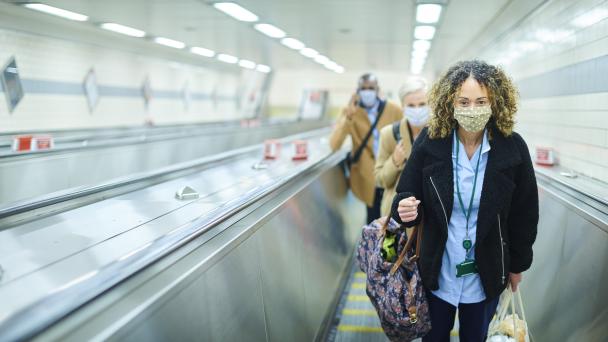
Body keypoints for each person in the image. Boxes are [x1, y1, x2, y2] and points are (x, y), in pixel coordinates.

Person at [391, 60, 539, 342]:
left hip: (487, 269)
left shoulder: (512, 147)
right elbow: (405, 192)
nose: (473, 110)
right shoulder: (432, 140)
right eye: (464, 101)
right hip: (438, 268)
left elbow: (525, 213)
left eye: (481, 101)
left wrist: (518, 265)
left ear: (495, 102)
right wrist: (405, 208)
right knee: (434, 337)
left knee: (476, 337)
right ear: (451, 103)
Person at [330, 73, 402, 224]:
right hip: (367, 176)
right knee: (373, 220)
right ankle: (374, 246)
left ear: (377, 90)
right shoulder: (351, 112)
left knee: (393, 219)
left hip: (391, 171)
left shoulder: (393, 110)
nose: (367, 91)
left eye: (371, 88)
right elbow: (335, 144)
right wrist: (348, 117)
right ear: (357, 91)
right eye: (363, 88)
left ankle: (390, 246)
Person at [375, 78, 430, 217]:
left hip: (430, 216)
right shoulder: (389, 134)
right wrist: (394, 161)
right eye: (411, 105)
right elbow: (380, 180)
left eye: (422, 104)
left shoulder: (441, 134)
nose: (417, 109)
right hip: (398, 217)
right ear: (403, 106)